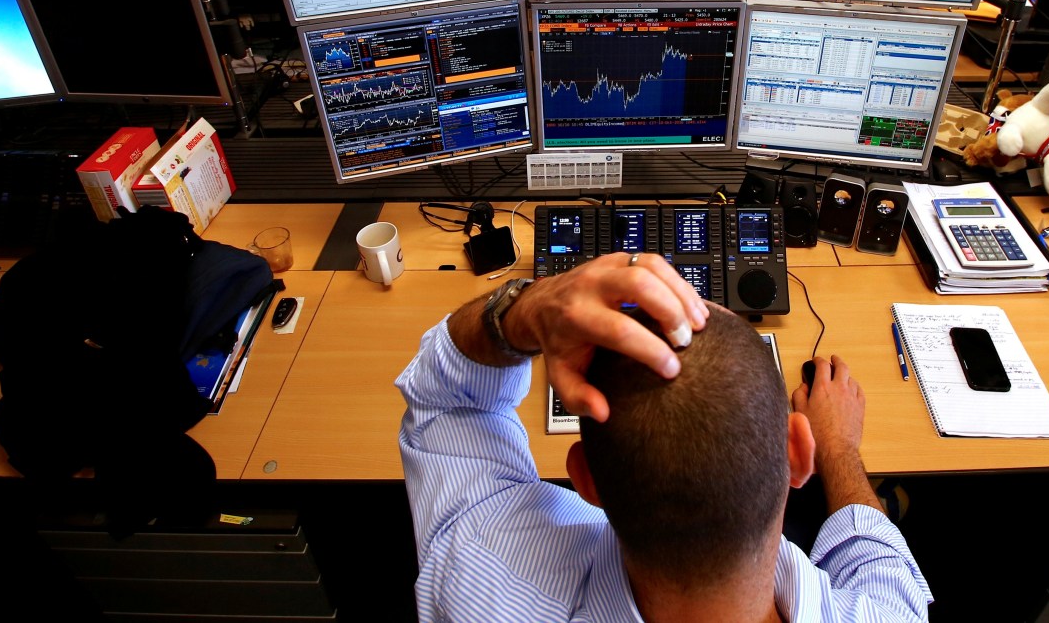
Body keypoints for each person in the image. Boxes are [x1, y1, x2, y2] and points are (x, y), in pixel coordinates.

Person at [396, 252, 932, 621]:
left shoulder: (474, 576)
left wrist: (527, 307)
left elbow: (446, 400)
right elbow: (878, 560)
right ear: (797, 450)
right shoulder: (889, 613)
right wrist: (839, 447)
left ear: (585, 478)